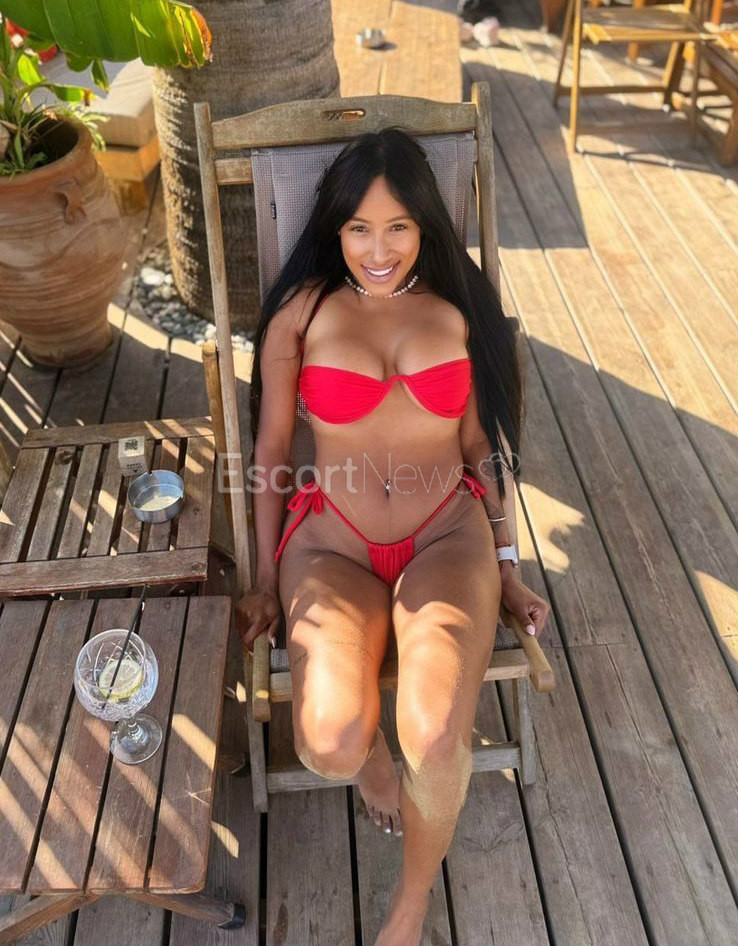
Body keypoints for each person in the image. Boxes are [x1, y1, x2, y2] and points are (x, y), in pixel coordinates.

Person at [236, 127, 550, 946]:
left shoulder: (458, 309)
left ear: (424, 226)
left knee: (439, 735)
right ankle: (374, 757)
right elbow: (272, 452)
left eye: (398, 227)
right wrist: (264, 579)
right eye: (360, 229)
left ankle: (408, 908)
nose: (379, 250)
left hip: (447, 533)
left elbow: (480, 446)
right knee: (331, 743)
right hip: (332, 543)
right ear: (335, 228)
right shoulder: (301, 315)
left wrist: (508, 563)